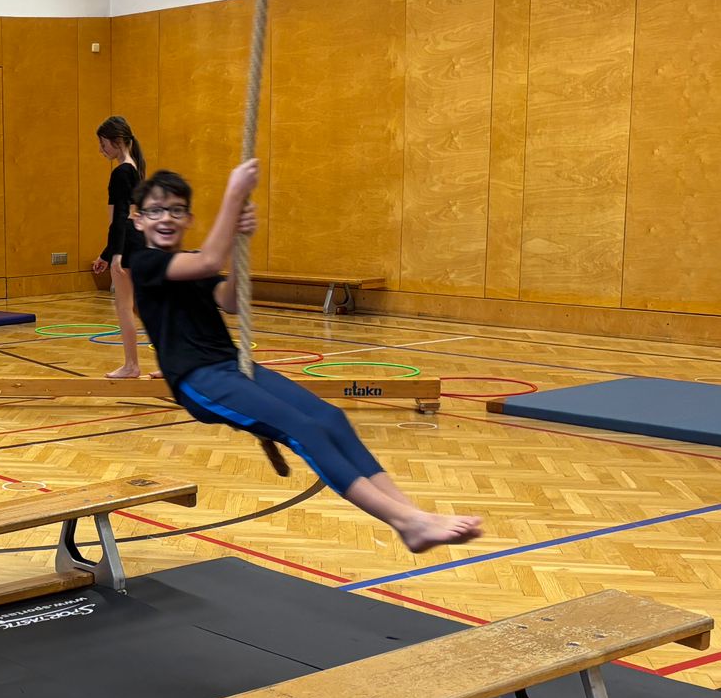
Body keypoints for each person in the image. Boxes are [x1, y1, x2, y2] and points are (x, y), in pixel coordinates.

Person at [126, 163, 484, 555]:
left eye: (176, 210)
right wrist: (234, 194)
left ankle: (414, 516)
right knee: (304, 429)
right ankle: (405, 521)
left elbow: (229, 301)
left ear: (189, 219)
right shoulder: (144, 263)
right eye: (155, 211)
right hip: (200, 380)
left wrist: (240, 246)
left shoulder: (192, 261)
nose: (166, 218)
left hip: (235, 367)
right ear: (138, 220)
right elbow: (209, 262)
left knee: (331, 418)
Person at [90, 116, 147, 380]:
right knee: (142, 307)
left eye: (103, 144)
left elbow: (120, 218)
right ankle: (172, 363)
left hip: (127, 244)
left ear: (117, 141)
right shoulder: (135, 168)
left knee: (124, 307)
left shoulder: (121, 172)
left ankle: (131, 365)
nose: (101, 150)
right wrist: (106, 253)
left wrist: (115, 254)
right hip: (135, 240)